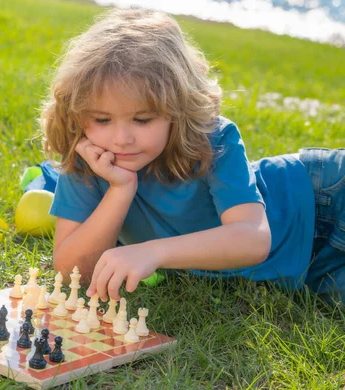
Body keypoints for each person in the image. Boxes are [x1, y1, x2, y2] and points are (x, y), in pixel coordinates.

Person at [40, 8, 345, 304]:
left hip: (323, 203)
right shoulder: (87, 155)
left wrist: (153, 251)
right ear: (78, 113)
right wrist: (120, 191)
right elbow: (71, 273)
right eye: (102, 120)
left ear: (179, 109)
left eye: (143, 119)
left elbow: (254, 238)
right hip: (306, 272)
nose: (122, 139)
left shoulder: (211, 138)